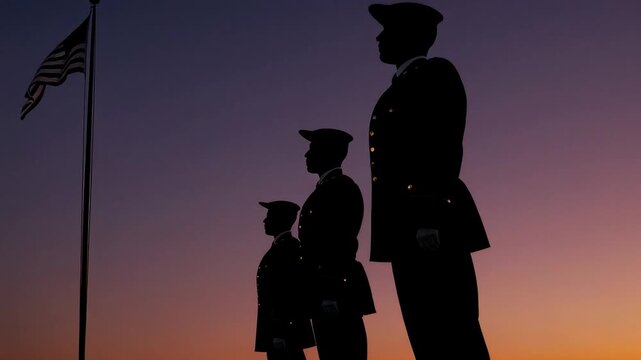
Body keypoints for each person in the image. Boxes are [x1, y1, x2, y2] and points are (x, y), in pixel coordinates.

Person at [367, 2, 491, 359]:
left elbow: (442, 143)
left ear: (408, 35)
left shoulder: (435, 74)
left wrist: (427, 217)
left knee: (454, 328)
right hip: (404, 228)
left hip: (430, 224)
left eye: (387, 29)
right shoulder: (396, 89)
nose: (378, 37)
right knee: (426, 334)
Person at [297, 128, 375, 360]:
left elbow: (341, 242)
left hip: (336, 291)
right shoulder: (325, 190)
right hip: (323, 290)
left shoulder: (341, 188)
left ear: (327, 152)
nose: (306, 155)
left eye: (312, 149)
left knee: (344, 349)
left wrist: (330, 291)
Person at [255, 200, 315, 360]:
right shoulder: (280, 248)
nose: (264, 220)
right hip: (278, 332)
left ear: (280, 220)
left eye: (269, 216)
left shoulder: (289, 249)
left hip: (285, 333)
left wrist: (280, 331)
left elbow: (289, 294)